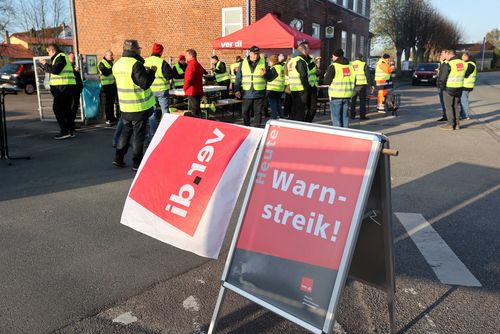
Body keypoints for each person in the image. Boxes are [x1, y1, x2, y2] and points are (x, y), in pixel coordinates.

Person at [112, 39, 156, 170]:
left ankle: (118, 158)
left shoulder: (117, 64)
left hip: (125, 106)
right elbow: (145, 83)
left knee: (126, 133)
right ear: (136, 50)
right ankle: (137, 163)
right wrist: (151, 72)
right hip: (139, 106)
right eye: (139, 49)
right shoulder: (136, 64)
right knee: (138, 136)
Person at [39, 44, 77, 139]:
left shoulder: (60, 57)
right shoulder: (61, 57)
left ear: (52, 50)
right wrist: (45, 67)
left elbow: (55, 70)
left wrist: (44, 64)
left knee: (58, 109)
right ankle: (70, 131)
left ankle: (65, 131)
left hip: (62, 88)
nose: (48, 54)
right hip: (66, 87)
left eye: (48, 52)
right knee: (67, 110)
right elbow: (54, 70)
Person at [234, 45, 272, 127]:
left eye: (257, 54)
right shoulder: (242, 63)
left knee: (258, 113)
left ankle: (256, 129)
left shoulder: (264, 63)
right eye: (254, 54)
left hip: (259, 92)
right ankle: (247, 126)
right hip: (247, 93)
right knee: (245, 112)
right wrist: (236, 90)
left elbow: (270, 78)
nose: (256, 55)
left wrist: (265, 74)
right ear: (250, 53)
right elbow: (238, 77)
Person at [144, 43, 173, 142]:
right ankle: (166, 133)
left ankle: (153, 135)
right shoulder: (162, 62)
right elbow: (169, 76)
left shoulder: (145, 61)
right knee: (165, 111)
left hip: (149, 91)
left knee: (152, 113)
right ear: (160, 52)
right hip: (162, 90)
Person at [324, 49, 355, 128]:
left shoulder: (334, 66)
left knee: (336, 118)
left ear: (335, 56)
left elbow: (326, 81)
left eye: (333, 56)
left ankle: (338, 136)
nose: (332, 57)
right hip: (347, 95)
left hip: (336, 95)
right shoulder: (350, 66)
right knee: (345, 117)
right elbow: (354, 79)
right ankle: (346, 134)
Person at [439, 50, 465, 130]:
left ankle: (450, 125)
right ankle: (457, 124)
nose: (445, 56)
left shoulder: (449, 64)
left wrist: (441, 87)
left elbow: (443, 78)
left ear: (449, 54)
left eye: (445, 54)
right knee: (456, 106)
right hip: (459, 87)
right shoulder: (462, 63)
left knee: (449, 107)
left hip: (449, 88)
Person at [287, 42, 312, 121]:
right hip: (301, 88)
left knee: (294, 107)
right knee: (300, 109)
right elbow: (303, 75)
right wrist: (306, 87)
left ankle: (293, 123)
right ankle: (299, 125)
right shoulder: (300, 60)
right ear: (304, 51)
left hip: (293, 87)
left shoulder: (291, 61)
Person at [350, 54, 373, 120]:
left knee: (353, 101)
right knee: (362, 101)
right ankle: (362, 116)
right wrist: (371, 84)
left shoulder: (350, 64)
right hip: (362, 85)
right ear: (361, 58)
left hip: (353, 85)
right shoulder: (363, 64)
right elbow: (368, 75)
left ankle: (352, 115)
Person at [184, 49, 206, 118]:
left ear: (191, 56)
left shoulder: (191, 65)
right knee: (197, 110)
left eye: (187, 56)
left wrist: (185, 88)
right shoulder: (198, 64)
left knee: (194, 113)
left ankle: (197, 126)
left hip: (192, 91)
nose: (186, 58)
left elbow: (188, 78)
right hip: (198, 90)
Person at [98, 50, 119, 125]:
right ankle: (108, 119)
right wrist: (113, 68)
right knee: (108, 103)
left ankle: (112, 117)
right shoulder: (101, 63)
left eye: (112, 55)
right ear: (106, 55)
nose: (112, 57)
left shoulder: (112, 63)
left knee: (112, 102)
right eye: (111, 55)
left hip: (112, 85)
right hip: (106, 86)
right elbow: (105, 72)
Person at [266, 55, 285, 119]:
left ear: (272, 61)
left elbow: (269, 78)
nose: (269, 63)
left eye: (269, 61)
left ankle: (274, 117)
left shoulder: (274, 68)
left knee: (273, 104)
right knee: (278, 104)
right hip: (280, 89)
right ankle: (281, 117)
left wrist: (264, 75)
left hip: (273, 89)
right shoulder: (281, 67)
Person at [67, 52, 83, 125]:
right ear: (68, 58)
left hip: (77, 90)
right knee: (72, 108)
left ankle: (72, 124)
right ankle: (71, 125)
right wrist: (75, 71)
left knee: (75, 108)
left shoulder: (73, 65)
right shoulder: (68, 66)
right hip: (72, 90)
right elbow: (69, 75)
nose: (73, 59)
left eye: (73, 58)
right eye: (72, 58)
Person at [460, 52, 476, 120]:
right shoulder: (468, 63)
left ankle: (465, 115)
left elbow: (466, 74)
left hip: (466, 85)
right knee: (462, 100)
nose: (461, 58)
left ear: (467, 56)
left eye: (463, 56)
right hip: (465, 85)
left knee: (464, 101)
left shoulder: (471, 64)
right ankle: (463, 114)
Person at [436, 50, 448, 122]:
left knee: (445, 102)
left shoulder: (446, 64)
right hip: (440, 85)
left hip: (443, 86)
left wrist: (441, 84)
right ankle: (445, 115)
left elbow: (444, 76)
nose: (440, 55)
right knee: (442, 102)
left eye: (442, 54)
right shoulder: (442, 63)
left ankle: (446, 116)